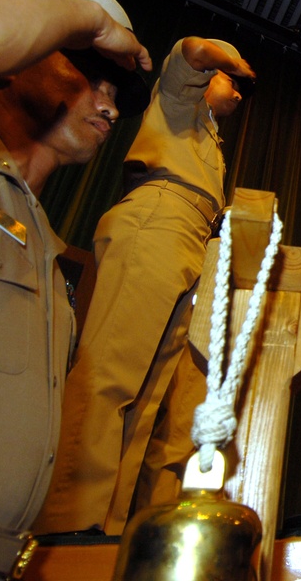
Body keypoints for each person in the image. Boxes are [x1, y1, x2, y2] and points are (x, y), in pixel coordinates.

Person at [0, 0, 150, 581]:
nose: (109, 104)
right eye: (85, 73)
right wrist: (90, 18)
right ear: (12, 58)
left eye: (113, 88)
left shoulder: (47, 247)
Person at [34, 36, 255, 535]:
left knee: (151, 394)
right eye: (231, 82)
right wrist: (230, 57)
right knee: (112, 371)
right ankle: (69, 521)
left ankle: (110, 528)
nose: (238, 92)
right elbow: (193, 52)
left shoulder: (212, 141)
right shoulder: (179, 101)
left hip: (194, 235)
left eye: (241, 86)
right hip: (159, 216)